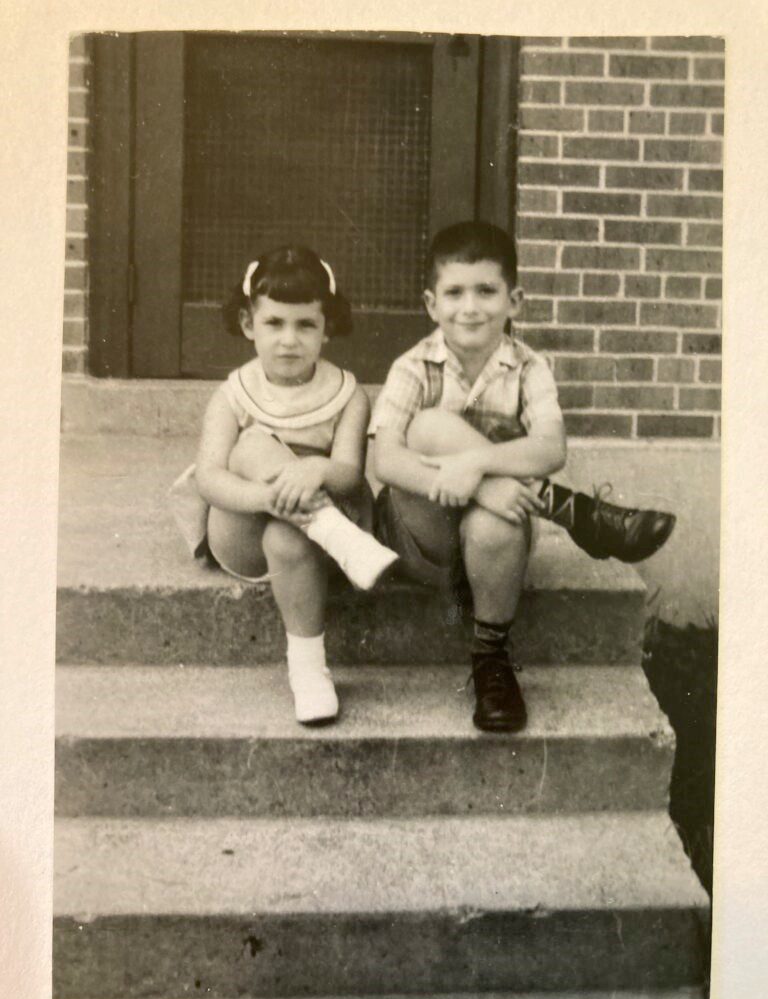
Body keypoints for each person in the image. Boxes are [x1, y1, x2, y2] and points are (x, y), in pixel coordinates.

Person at [371, 221, 675, 734]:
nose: (470, 307)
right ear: (430, 304)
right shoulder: (413, 367)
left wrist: (476, 466)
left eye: (487, 291)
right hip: (419, 534)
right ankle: (576, 513)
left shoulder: (529, 367)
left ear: (515, 300)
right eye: (455, 293)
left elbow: (550, 447)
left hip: (488, 543)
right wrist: (486, 479)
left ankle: (490, 659)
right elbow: (387, 462)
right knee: (428, 425)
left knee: (498, 520)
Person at [176, 245, 397, 726]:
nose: (289, 340)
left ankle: (308, 670)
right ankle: (333, 532)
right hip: (244, 526)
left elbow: (349, 473)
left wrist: (313, 472)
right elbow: (211, 479)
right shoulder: (234, 392)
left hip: (312, 539)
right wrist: (269, 498)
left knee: (288, 533)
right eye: (274, 323)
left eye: (305, 325)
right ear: (248, 324)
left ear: (327, 327)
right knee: (251, 447)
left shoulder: (348, 394)